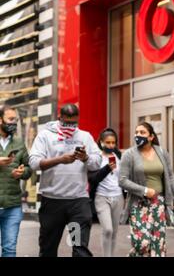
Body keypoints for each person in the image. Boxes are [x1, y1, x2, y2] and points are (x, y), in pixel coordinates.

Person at [29, 104, 102, 257]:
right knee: (48, 249)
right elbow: (34, 162)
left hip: (77, 204)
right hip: (52, 203)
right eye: (66, 123)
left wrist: (85, 158)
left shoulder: (84, 136)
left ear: (78, 120)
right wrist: (59, 160)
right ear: (59, 118)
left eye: (73, 123)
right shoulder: (45, 136)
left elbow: (96, 163)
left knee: (79, 247)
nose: (70, 127)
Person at [119, 122, 174, 257]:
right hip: (138, 205)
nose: (138, 135)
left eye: (142, 133)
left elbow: (170, 177)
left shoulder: (161, 152)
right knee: (141, 243)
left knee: (158, 244)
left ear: (151, 137)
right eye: (136, 132)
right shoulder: (129, 155)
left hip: (158, 204)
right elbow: (122, 180)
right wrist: (144, 190)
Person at [88, 128, 124, 257]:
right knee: (107, 229)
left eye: (113, 142)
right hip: (101, 197)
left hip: (118, 197)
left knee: (114, 231)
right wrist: (107, 168)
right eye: (108, 142)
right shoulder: (96, 157)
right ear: (101, 142)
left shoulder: (118, 155)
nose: (111, 145)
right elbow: (92, 179)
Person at [0, 105, 31, 257]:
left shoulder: (19, 143)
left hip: (12, 206)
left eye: (16, 120)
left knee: (9, 250)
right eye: (10, 119)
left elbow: (28, 168)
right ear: (0, 120)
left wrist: (22, 173)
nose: (14, 123)